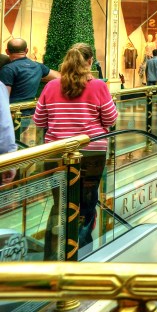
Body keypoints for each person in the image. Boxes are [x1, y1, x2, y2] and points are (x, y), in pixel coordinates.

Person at [32, 43, 117, 251]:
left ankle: (56, 251)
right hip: (92, 152)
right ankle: (82, 251)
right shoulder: (98, 86)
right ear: (89, 62)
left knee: (60, 202)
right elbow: (110, 118)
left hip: (56, 152)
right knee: (87, 204)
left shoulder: (51, 86)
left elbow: (39, 120)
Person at [1, 37, 59, 109]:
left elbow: (3, 99)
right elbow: (59, 77)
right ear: (26, 50)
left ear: (7, 51)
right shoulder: (38, 66)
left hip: (14, 114)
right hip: (31, 112)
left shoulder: (7, 70)